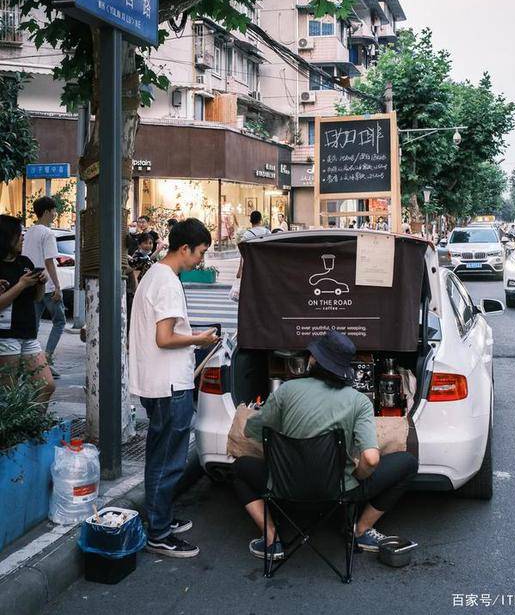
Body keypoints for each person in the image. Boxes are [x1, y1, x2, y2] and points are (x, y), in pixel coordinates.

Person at [233, 330, 418, 560]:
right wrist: (358, 477)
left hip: (283, 484)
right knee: (408, 463)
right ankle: (359, 531)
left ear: (314, 360)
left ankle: (272, 539)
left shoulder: (287, 391)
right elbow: (371, 459)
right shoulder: (358, 401)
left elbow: (252, 430)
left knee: (240, 468)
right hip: (339, 489)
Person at [129, 218, 219, 558]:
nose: (201, 260)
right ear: (184, 248)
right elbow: (164, 338)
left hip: (156, 383)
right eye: (200, 253)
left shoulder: (154, 274)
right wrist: (200, 338)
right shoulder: (167, 282)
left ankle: (158, 517)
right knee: (170, 461)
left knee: (159, 455)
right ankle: (159, 533)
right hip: (169, 385)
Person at [0, 215, 55, 407]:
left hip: (28, 333)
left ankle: (33, 425)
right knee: (9, 392)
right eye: (18, 234)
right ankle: (14, 434)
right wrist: (21, 284)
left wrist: (41, 283)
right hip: (6, 335)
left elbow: (37, 298)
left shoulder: (24, 261)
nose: (22, 237)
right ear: (7, 237)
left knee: (46, 385)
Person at [22, 196, 65, 378]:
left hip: (31, 283)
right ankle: (46, 360)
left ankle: (32, 362)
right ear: (47, 211)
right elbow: (49, 262)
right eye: (54, 210)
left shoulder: (30, 231)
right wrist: (57, 287)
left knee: (34, 324)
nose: (56, 214)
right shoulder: (47, 233)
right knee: (60, 321)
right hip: (45, 286)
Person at [236, 211, 271, 279]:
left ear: (250, 220)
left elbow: (243, 253)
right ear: (261, 220)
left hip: (252, 264)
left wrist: (240, 270)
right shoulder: (267, 232)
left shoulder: (247, 235)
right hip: (265, 264)